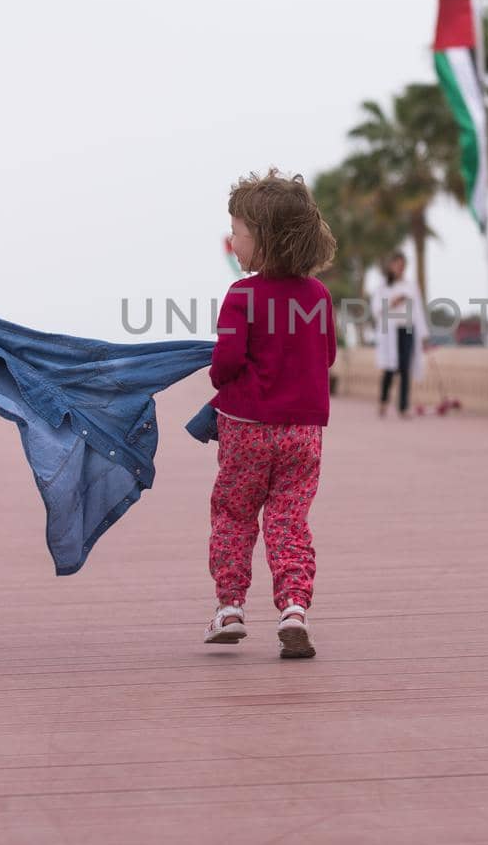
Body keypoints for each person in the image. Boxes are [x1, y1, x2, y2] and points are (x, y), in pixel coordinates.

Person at [203, 169, 337, 659]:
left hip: (247, 431)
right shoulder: (318, 296)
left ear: (262, 240)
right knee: (288, 520)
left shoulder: (242, 297)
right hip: (303, 433)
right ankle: (294, 608)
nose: (231, 240)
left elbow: (226, 365)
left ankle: (230, 607)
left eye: (237, 231)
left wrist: (220, 382)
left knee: (235, 515)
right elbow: (326, 357)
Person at [372, 252, 428, 418]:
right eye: (397, 264)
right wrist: (392, 302)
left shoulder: (411, 285)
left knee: (405, 367)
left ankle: (403, 407)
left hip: (408, 329)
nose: (400, 268)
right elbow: (375, 309)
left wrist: (423, 334)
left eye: (402, 265)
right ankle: (383, 401)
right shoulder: (383, 287)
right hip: (390, 331)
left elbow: (418, 310)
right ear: (391, 265)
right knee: (390, 368)